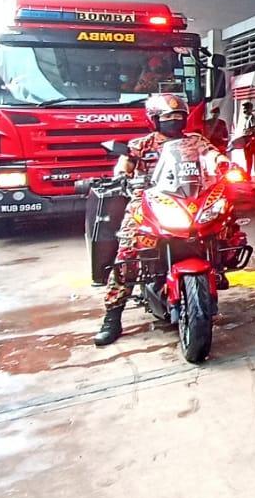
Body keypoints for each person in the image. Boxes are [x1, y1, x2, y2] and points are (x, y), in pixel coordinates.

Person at [94, 94, 229, 346]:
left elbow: (212, 155)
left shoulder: (195, 141)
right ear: (154, 120)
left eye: (178, 117)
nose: (173, 121)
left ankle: (218, 269)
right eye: (167, 117)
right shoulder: (141, 144)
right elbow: (125, 164)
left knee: (224, 225)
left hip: (190, 199)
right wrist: (123, 175)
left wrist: (224, 163)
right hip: (149, 201)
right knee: (128, 251)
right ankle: (112, 316)